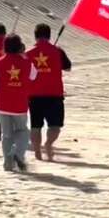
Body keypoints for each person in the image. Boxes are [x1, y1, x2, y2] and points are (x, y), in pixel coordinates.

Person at [0, 34, 38, 172]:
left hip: (2, 104)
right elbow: (34, 76)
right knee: (23, 131)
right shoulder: (27, 63)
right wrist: (24, 57)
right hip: (19, 104)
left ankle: (8, 163)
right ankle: (17, 154)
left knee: (6, 134)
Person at [26, 23, 72, 161]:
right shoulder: (58, 51)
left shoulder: (28, 53)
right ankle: (48, 144)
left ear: (35, 36)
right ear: (49, 36)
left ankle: (37, 151)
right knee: (55, 126)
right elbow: (68, 67)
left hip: (34, 95)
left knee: (35, 126)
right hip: (54, 94)